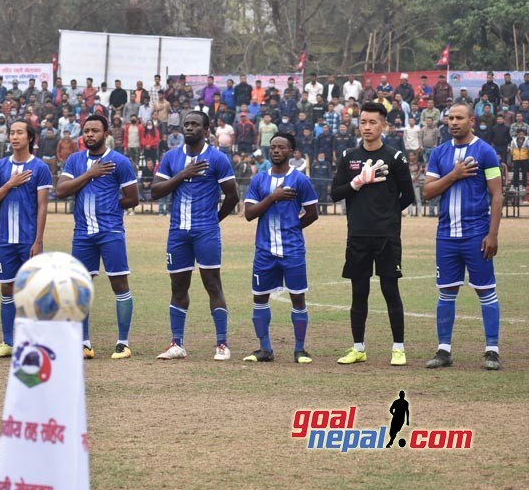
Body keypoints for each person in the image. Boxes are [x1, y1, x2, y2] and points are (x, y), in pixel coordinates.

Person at [331, 103, 415, 366]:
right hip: (357, 235)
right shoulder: (348, 156)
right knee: (359, 293)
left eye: (373, 122)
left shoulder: (395, 157)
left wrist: (387, 216)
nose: (367, 127)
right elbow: (335, 194)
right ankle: (358, 348)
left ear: (384, 125)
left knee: (390, 289)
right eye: (363, 122)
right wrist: (357, 182)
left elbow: (408, 197)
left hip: (386, 236)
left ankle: (398, 348)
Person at [150, 111, 239, 360]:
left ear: (206, 130)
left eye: (194, 124)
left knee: (213, 284)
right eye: (186, 124)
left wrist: (214, 220)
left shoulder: (217, 158)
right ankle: (176, 344)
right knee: (178, 287)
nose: (188, 128)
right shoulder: (171, 157)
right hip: (178, 233)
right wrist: (182, 174)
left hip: (206, 232)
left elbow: (232, 195)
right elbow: (155, 191)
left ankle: (222, 344)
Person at [422, 104, 503, 370]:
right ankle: (443, 350)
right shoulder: (440, 153)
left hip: (476, 235)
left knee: (485, 291)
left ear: (472, 120)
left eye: (459, 118)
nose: (454, 122)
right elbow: (427, 192)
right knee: (446, 292)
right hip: (446, 236)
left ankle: (492, 350)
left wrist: (492, 234)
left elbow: (497, 194)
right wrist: (454, 175)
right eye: (450, 118)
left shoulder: (485, 151)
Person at [56, 115, 140, 359]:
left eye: (95, 130)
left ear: (106, 133)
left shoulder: (119, 162)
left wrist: (110, 210)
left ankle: (123, 343)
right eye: (86, 131)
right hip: (82, 234)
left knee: (119, 284)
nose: (90, 134)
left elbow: (133, 198)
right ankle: (84, 344)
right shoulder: (74, 161)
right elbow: (61, 191)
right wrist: (90, 174)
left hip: (111, 232)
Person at [242, 134, 319, 363]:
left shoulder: (300, 180)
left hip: (292, 250)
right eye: (273, 147)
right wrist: (273, 197)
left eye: (281, 147)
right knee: (260, 298)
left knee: (298, 298)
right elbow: (249, 214)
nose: (276, 150)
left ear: (291, 151)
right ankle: (265, 349)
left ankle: (300, 350)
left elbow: (312, 213)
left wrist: (293, 228)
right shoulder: (259, 181)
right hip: (264, 251)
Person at [0, 120, 52, 358]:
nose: (14, 137)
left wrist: (38, 240)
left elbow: (42, 206)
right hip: (5, 240)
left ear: (30, 138)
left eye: (19, 133)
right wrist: (10, 184)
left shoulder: (40, 168)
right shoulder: (0, 167)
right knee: (7, 288)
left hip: (28, 239)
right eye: (11, 133)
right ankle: (8, 341)